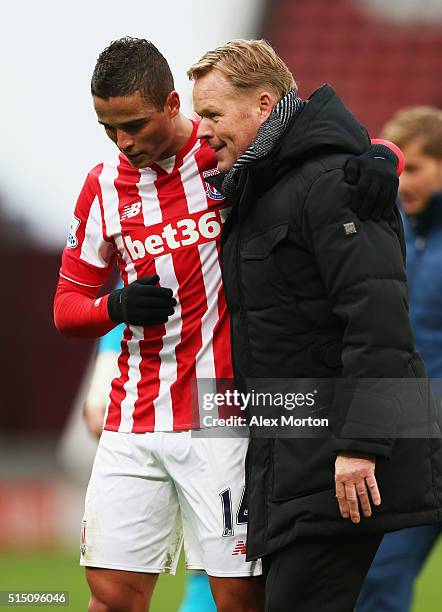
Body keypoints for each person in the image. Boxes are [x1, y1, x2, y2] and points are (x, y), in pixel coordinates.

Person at [53, 36, 401, 612]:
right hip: (133, 413)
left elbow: (318, 146)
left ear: (171, 104)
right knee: (110, 595)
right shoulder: (103, 188)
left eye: (134, 124)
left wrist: (382, 153)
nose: (123, 141)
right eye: (108, 128)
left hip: (225, 412)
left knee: (240, 598)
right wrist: (113, 309)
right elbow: (67, 307)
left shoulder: (224, 154)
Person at [188, 39, 442, 612]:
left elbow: (376, 322)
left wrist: (359, 444)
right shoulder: (259, 186)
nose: (201, 130)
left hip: (341, 462)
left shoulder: (335, 182)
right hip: (291, 457)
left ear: (262, 103)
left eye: (212, 115)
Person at [357, 106, 442, 612]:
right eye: (396, 167)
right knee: (378, 582)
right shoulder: (382, 235)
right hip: (411, 443)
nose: (400, 180)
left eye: (415, 167)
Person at [83, 320, 217, 611]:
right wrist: (104, 376)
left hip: (231, 392)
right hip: (154, 399)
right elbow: (137, 281)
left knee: (229, 569)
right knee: (113, 590)